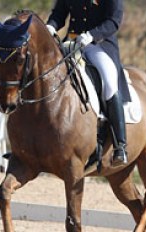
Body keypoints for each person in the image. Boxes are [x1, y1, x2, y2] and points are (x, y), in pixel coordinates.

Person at [46, 0, 130, 166]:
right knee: (44, 73)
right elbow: (59, 14)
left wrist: (92, 34)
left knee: (109, 83)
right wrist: (50, 26)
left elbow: (113, 21)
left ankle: (120, 145)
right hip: (70, 43)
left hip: (99, 45)